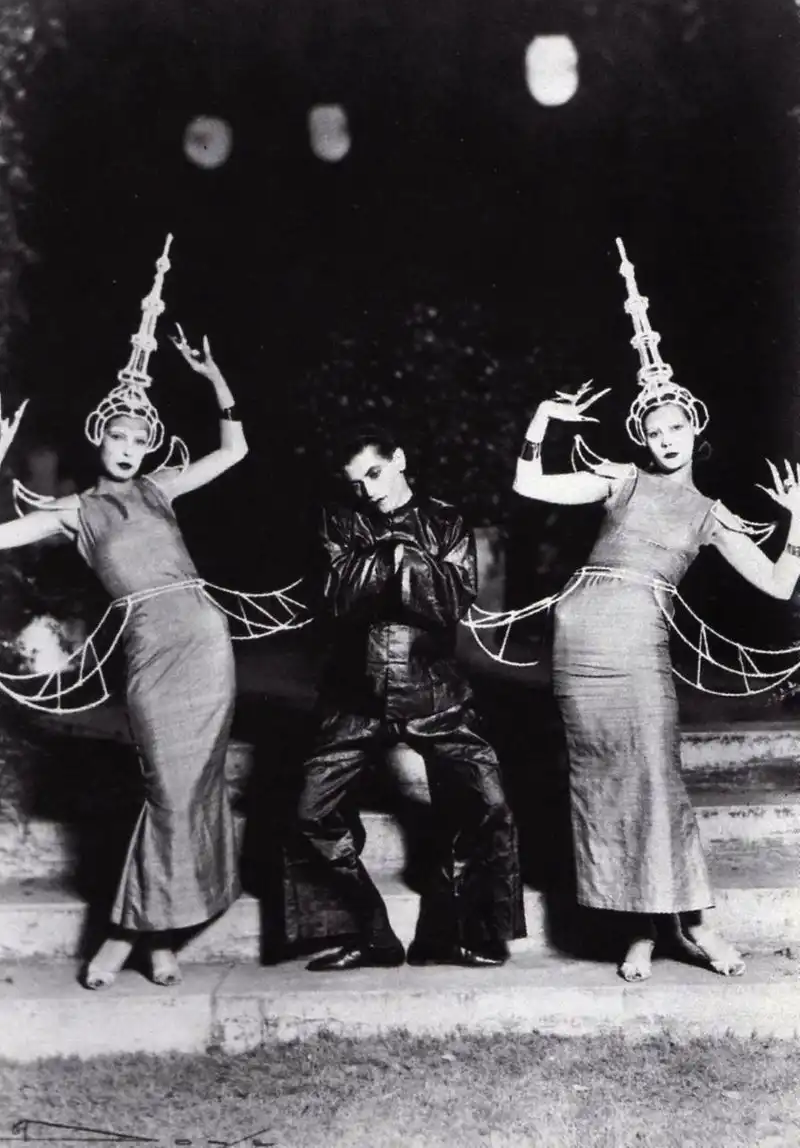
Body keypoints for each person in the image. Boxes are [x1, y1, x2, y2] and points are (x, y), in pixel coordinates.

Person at [511, 240, 800, 982]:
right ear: (642, 435)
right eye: (656, 431)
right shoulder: (620, 479)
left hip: (637, 647)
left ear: (695, 430)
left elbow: (777, 586)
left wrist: (797, 522)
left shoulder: (709, 512)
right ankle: (637, 930)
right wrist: (542, 419)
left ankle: (695, 926)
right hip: (579, 642)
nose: (667, 440)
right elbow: (529, 485)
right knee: (601, 784)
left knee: (656, 782)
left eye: (677, 429)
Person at [0, 242, 248, 988]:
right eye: (119, 435)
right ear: (99, 437)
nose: (129, 448)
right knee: (165, 788)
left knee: (194, 790)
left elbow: (234, 452)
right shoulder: (76, 510)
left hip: (204, 638)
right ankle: (135, 932)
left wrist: (215, 381)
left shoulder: (160, 487)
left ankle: (148, 937)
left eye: (141, 439)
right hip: (149, 650)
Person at [285, 425, 525, 970]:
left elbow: (451, 601)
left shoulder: (445, 521)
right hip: (355, 696)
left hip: (434, 693)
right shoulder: (338, 519)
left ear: (398, 459)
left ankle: (452, 934)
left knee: (488, 803)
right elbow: (336, 596)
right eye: (356, 483)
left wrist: (386, 560)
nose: (368, 490)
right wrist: (401, 557)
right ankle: (370, 935)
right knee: (309, 812)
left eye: (374, 474)